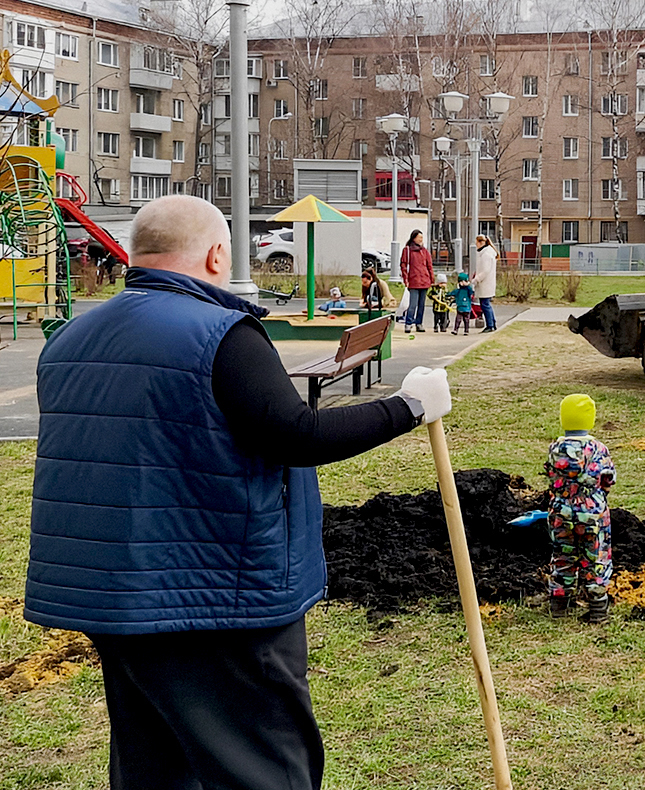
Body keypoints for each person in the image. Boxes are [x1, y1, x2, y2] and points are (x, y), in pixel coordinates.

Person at [24, 194, 452, 790]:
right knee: (263, 768)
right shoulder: (221, 334)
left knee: (156, 765)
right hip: (216, 597)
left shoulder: (69, 340)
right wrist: (409, 407)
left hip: (112, 596)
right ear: (218, 254)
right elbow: (295, 434)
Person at [546, 394, 617, 623]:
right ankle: (597, 609)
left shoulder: (555, 448)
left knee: (563, 555)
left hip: (561, 510)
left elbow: (551, 476)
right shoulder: (598, 449)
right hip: (592, 513)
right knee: (595, 557)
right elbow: (609, 479)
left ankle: (559, 605)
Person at [400, 229, 434, 332]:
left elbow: (429, 265)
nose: (421, 240)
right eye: (419, 237)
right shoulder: (407, 250)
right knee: (413, 304)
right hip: (413, 280)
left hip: (424, 280)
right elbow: (403, 265)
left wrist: (431, 279)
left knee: (421, 304)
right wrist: (405, 279)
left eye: (422, 238)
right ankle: (408, 323)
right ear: (414, 238)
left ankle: (419, 323)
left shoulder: (424, 251)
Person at [471, 235, 499, 332]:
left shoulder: (486, 255)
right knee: (486, 304)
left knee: (485, 305)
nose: (476, 245)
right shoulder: (488, 253)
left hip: (485, 283)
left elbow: (485, 271)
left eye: (477, 243)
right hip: (488, 283)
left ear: (481, 243)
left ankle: (490, 325)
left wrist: (476, 279)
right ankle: (492, 323)